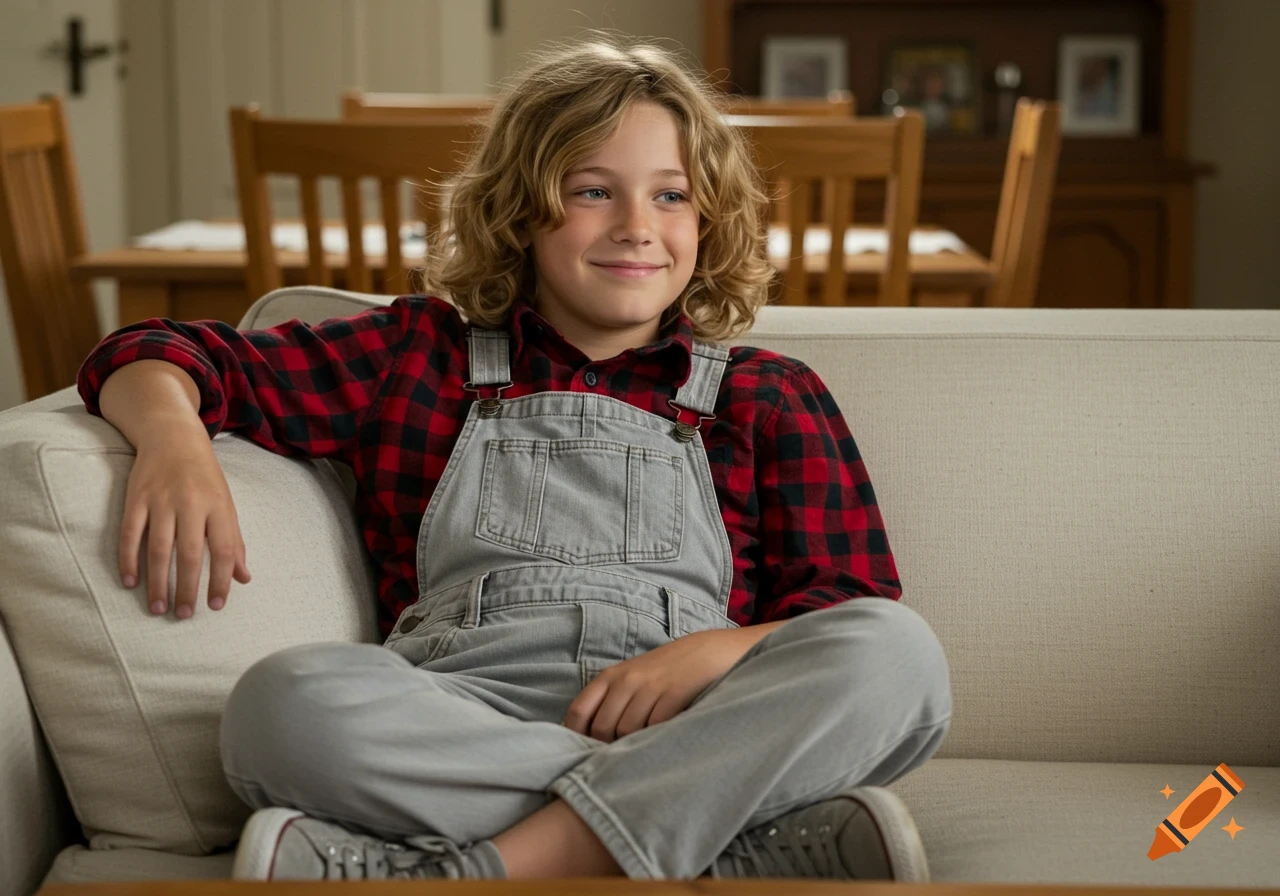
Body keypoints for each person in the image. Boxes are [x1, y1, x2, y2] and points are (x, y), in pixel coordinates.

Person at [76, 33, 952, 883]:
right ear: (518, 208)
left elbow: (845, 609)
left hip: (696, 717)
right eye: (593, 191)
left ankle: (498, 865)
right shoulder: (419, 355)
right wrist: (173, 438)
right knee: (280, 705)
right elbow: (161, 348)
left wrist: (714, 656)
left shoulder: (769, 393)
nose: (638, 227)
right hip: (464, 710)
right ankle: (721, 840)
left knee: (901, 655)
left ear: (711, 217)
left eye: (673, 196)